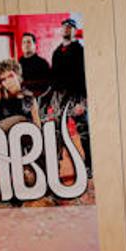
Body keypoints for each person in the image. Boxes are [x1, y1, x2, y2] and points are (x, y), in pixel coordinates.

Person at [50, 17, 90, 171]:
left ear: (75, 30)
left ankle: (89, 165)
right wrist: (53, 101)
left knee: (83, 131)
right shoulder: (56, 52)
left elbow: (85, 76)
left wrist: (83, 102)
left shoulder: (80, 51)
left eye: (70, 26)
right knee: (57, 131)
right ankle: (56, 164)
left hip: (76, 96)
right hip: (60, 98)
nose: (66, 28)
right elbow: (54, 79)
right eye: (64, 26)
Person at [18, 32, 51, 100]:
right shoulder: (17, 64)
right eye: (23, 42)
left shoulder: (43, 63)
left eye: (29, 42)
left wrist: (34, 95)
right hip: (21, 99)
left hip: (38, 99)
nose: (26, 45)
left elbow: (48, 86)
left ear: (35, 45)